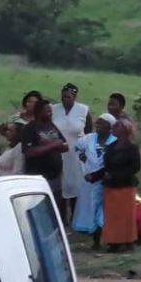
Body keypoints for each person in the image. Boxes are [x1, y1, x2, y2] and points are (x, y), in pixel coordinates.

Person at [74, 113, 115, 244]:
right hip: (89, 180)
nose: (98, 125)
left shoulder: (114, 141)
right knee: (91, 207)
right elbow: (77, 148)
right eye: (98, 123)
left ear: (110, 127)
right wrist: (82, 159)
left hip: (105, 181)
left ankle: (104, 237)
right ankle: (95, 239)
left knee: (103, 209)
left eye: (103, 123)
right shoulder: (89, 139)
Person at [100, 118, 141, 252]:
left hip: (126, 185)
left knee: (126, 215)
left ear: (125, 129)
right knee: (112, 215)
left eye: (117, 126)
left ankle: (128, 241)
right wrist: (95, 176)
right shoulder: (111, 147)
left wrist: (117, 175)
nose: (114, 128)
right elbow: (106, 166)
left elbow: (135, 167)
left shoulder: (132, 147)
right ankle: (114, 243)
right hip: (111, 186)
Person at [21, 98, 68, 208]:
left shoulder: (52, 125)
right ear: (38, 112)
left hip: (55, 177)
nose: (51, 113)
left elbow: (65, 146)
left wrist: (49, 144)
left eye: (51, 111)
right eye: (47, 111)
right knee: (39, 208)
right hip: (38, 177)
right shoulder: (29, 128)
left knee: (54, 207)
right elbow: (30, 152)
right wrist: (53, 145)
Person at [55, 83, 92, 220]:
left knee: (76, 185)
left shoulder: (83, 110)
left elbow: (88, 132)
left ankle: (76, 218)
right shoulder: (54, 109)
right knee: (61, 185)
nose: (66, 99)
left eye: (69, 97)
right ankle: (61, 218)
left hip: (76, 155)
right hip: (58, 154)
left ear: (75, 97)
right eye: (63, 96)